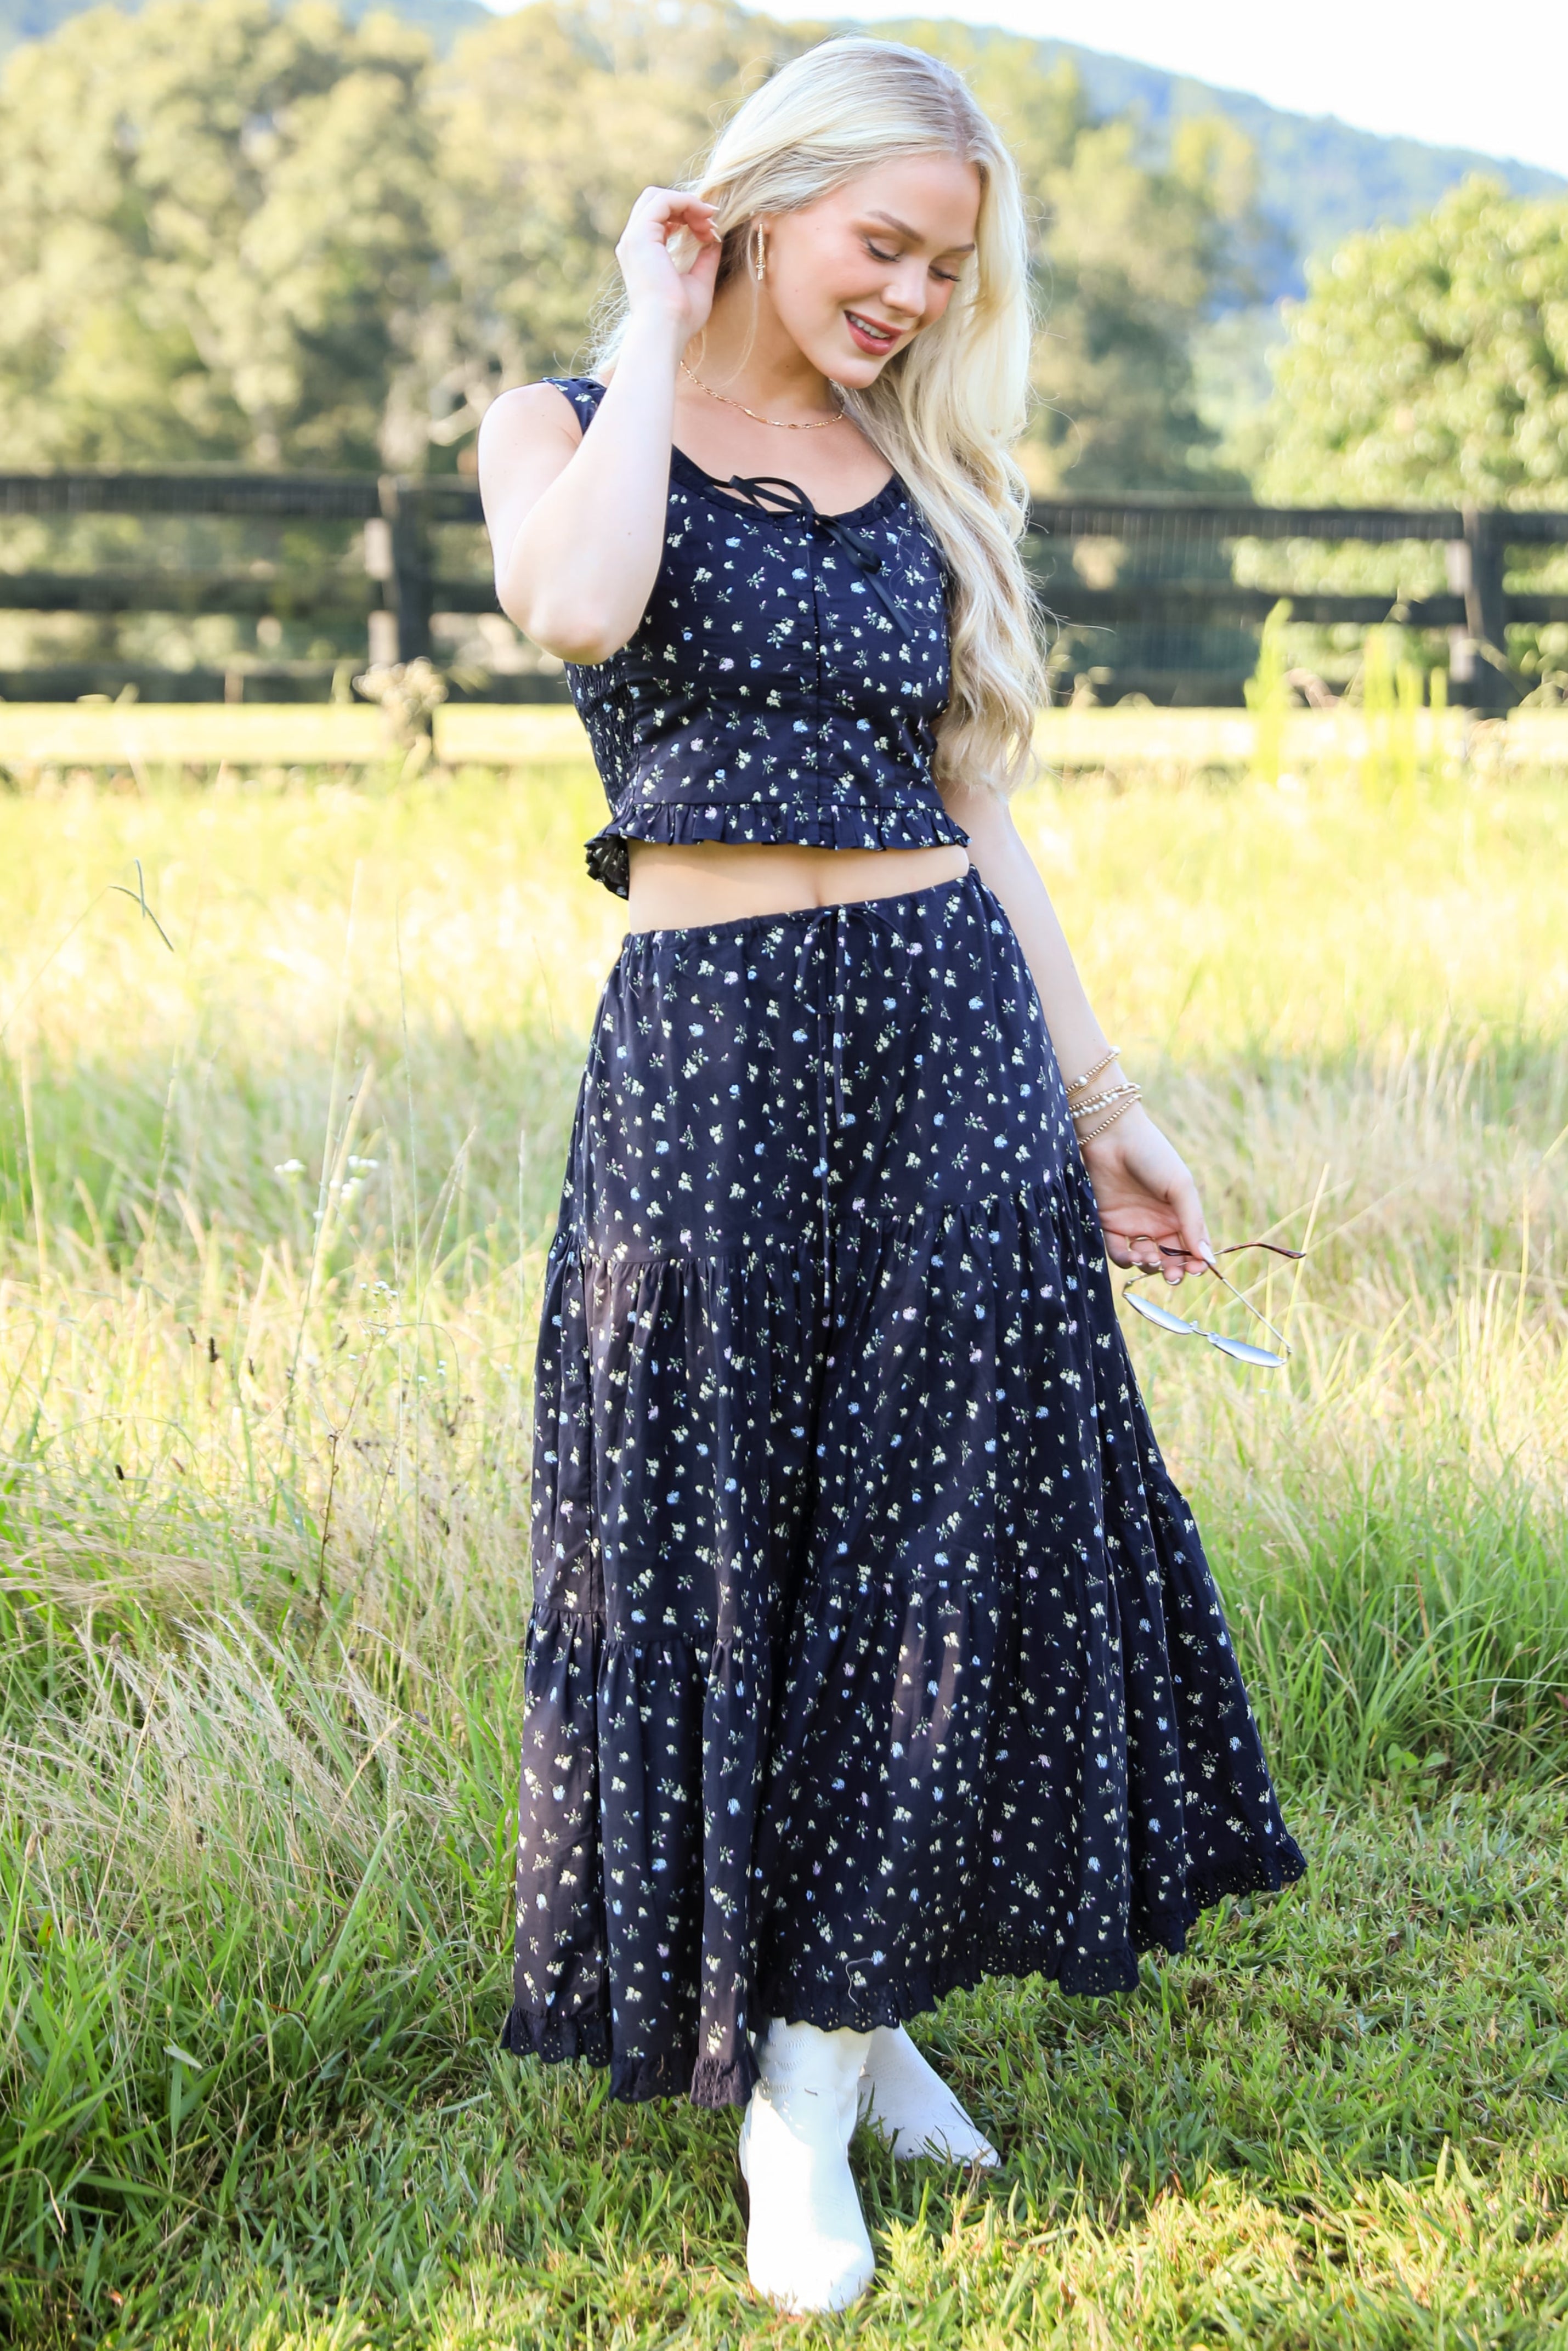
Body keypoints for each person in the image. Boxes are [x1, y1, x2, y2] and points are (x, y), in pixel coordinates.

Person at [479, 35, 1304, 2316]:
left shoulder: (925, 472)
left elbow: (979, 810)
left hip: (943, 1036)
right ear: (761, 204)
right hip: (709, 1061)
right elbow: (575, 608)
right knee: (736, 1539)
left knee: (942, 1542)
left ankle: (812, 2079)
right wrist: (659, 323)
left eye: (950, 270)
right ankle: (839, 2009)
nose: (916, 299)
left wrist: (1102, 1100)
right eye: (884, 247)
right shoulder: (565, 423)